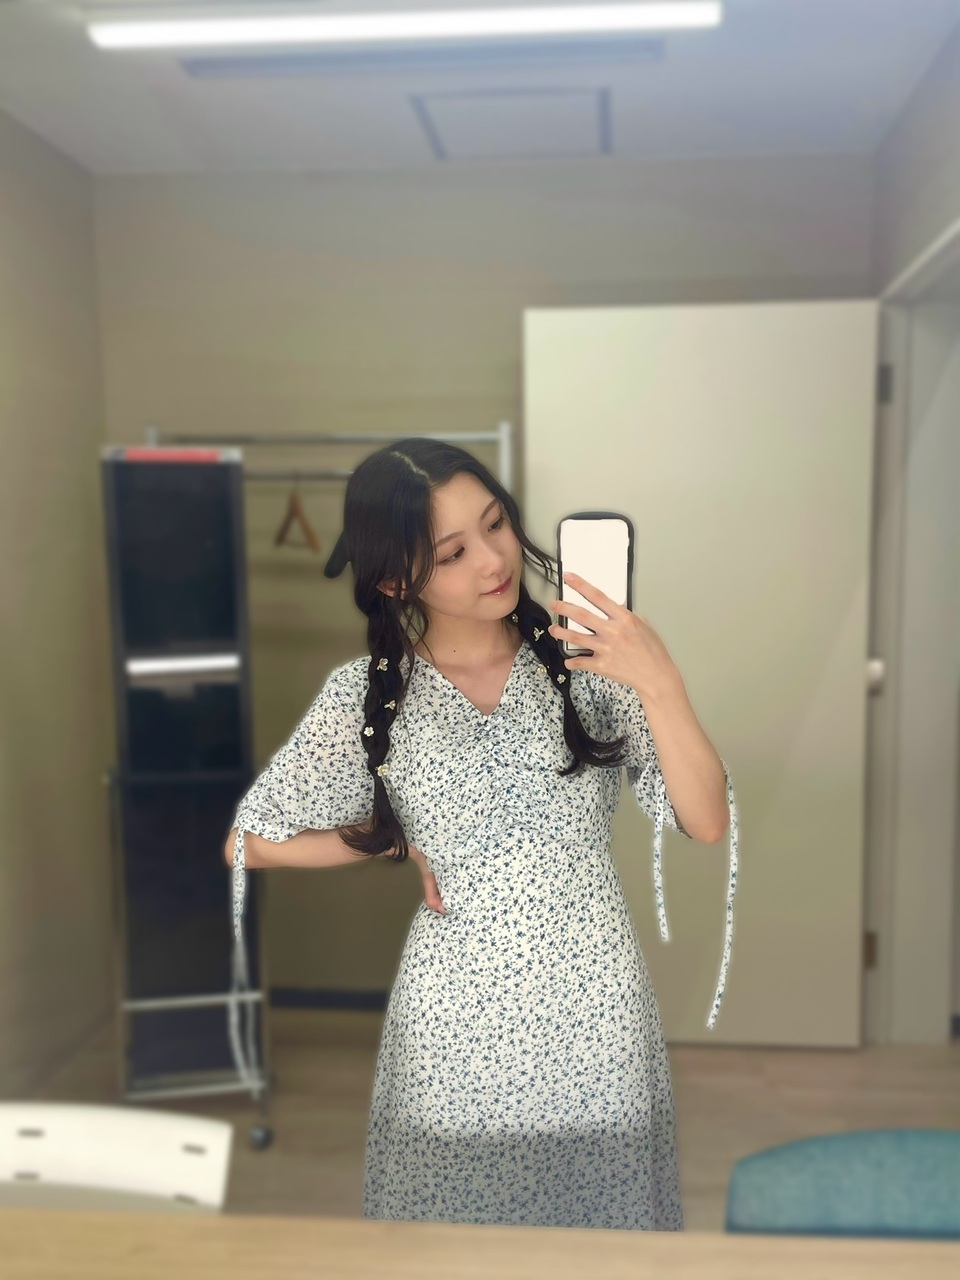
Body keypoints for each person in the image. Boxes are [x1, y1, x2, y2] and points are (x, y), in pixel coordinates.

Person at [225, 437, 738, 1231]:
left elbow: (705, 820)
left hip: (594, 1010)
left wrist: (660, 681)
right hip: (451, 1026)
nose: (495, 560)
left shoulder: (591, 667)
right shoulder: (367, 695)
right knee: (452, 1242)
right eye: (453, 553)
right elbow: (247, 841)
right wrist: (394, 843)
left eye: (495, 525)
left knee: (603, 1241)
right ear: (396, 581)